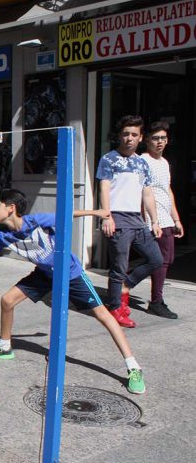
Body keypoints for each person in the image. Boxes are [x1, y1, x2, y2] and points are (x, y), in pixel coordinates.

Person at [0, 189, 145, 395]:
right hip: (43, 274)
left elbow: (67, 214)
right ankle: (4, 348)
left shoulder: (36, 222)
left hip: (70, 274)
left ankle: (133, 368)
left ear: (10, 208)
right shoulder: (2, 237)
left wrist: (96, 212)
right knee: (7, 300)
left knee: (103, 316)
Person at [97, 115, 163, 328]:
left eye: (134, 135)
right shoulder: (108, 159)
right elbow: (104, 188)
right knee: (119, 266)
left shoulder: (142, 163)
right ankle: (116, 307)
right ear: (119, 136)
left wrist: (155, 220)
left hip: (137, 219)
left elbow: (147, 194)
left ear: (140, 137)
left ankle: (126, 286)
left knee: (156, 259)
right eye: (126, 134)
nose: (129, 138)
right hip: (117, 217)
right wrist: (107, 216)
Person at [142, 121, 183, 319]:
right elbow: (142, 192)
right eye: (156, 138)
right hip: (153, 219)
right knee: (160, 260)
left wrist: (176, 219)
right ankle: (156, 301)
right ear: (147, 139)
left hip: (166, 218)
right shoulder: (143, 160)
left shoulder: (164, 163)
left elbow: (167, 191)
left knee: (166, 260)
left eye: (163, 138)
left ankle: (127, 285)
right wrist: (148, 220)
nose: (160, 142)